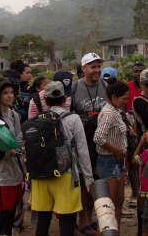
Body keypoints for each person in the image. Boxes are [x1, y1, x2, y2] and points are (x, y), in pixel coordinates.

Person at [31, 81, 94, 236]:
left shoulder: (37, 119)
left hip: (41, 177)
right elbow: (82, 150)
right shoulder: (73, 119)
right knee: (67, 222)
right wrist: (88, 178)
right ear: (65, 98)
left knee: (43, 221)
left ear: (45, 100)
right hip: (65, 175)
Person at [72, 52, 108, 234]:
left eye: (99, 66)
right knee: (84, 179)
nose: (97, 70)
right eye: (93, 67)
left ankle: (93, 217)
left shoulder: (106, 86)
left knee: (98, 179)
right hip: (82, 141)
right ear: (84, 69)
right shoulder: (74, 88)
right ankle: (83, 219)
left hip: (102, 142)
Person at [0, 78, 24, 236]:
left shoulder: (14, 115)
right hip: (2, 171)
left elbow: (19, 138)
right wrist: (10, 150)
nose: (10, 96)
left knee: (11, 209)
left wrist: (17, 149)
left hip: (17, 168)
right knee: (4, 211)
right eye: (5, 93)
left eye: (11, 93)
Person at [94, 81, 130, 230]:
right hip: (108, 162)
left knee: (118, 202)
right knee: (109, 207)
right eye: (124, 98)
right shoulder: (109, 113)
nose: (126, 101)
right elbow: (98, 138)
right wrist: (116, 150)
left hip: (116, 161)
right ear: (114, 97)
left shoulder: (115, 110)